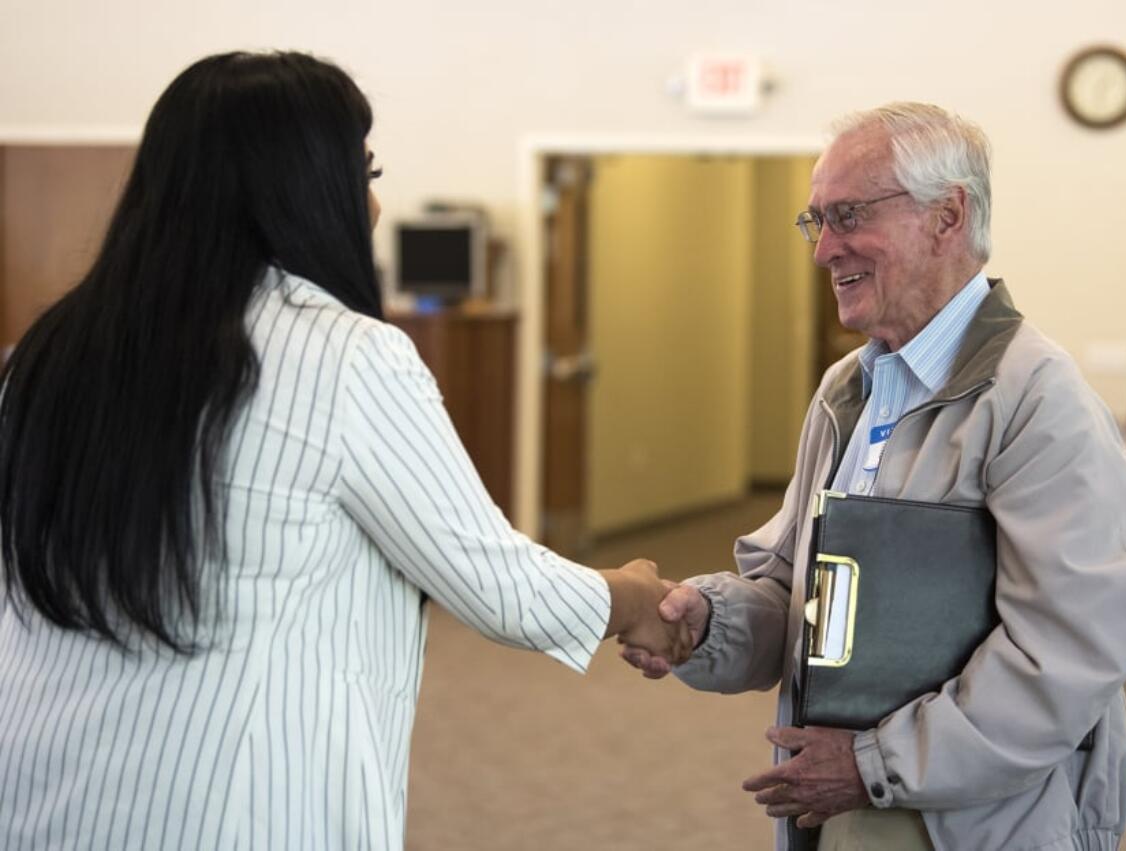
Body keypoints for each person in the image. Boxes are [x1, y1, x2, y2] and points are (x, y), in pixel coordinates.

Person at [0, 51, 688, 848]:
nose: (373, 203)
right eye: (362, 171)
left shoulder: (47, 350)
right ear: (301, 188)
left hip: (41, 787)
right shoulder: (345, 355)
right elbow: (500, 585)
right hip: (230, 804)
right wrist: (637, 597)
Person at [622, 103, 1126, 850]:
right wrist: (704, 622)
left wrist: (873, 763)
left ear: (947, 215)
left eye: (847, 215)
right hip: (845, 795)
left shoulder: (1041, 401)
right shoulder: (850, 388)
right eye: (816, 221)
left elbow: (1065, 656)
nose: (823, 250)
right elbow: (796, 593)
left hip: (978, 822)